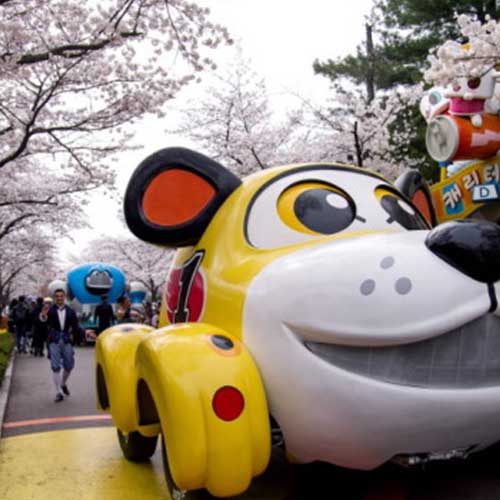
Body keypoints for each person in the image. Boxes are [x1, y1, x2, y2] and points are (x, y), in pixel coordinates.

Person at [40, 288, 83, 402]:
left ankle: (63, 383)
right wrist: (43, 315)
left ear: (64, 297)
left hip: (66, 339)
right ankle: (59, 392)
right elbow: (43, 321)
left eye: (61, 296)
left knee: (69, 366)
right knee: (55, 367)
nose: (59, 298)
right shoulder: (50, 310)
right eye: (57, 296)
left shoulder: (70, 311)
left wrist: (85, 332)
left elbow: (76, 326)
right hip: (54, 340)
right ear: (54, 298)